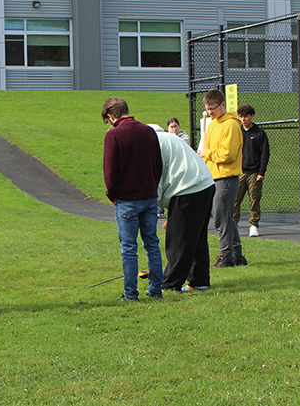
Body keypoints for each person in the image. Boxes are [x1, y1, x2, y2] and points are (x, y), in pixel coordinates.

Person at [102, 97, 163, 301]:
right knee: (152, 244)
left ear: (111, 116)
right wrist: (152, 186)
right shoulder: (148, 131)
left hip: (126, 198)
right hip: (149, 196)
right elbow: (158, 164)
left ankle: (131, 293)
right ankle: (156, 290)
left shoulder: (114, 135)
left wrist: (112, 194)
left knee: (129, 247)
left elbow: (110, 172)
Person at [149, 125, 215, 292]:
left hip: (188, 188)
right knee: (197, 237)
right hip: (205, 184)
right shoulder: (168, 139)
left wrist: (152, 206)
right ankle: (199, 281)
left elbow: (154, 179)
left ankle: (171, 284)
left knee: (178, 239)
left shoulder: (152, 144)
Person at [197, 90, 244, 267]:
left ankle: (226, 257)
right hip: (215, 176)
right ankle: (237, 256)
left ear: (223, 104)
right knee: (226, 218)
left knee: (221, 219)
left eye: (213, 108)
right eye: (207, 108)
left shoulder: (231, 125)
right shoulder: (214, 124)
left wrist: (207, 153)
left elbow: (228, 154)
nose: (210, 112)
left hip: (226, 177)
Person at [232, 105, 270, 238]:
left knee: (254, 199)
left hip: (254, 172)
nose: (243, 119)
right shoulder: (238, 132)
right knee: (235, 199)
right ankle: (233, 225)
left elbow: (264, 154)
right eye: (241, 116)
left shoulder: (259, 133)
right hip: (240, 171)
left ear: (252, 116)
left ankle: (253, 225)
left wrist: (261, 172)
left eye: (246, 116)